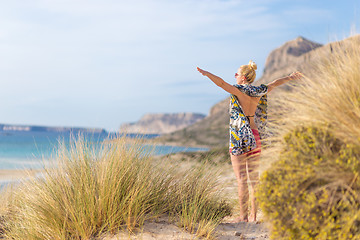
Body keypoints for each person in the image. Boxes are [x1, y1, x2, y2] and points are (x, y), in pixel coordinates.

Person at [197, 61, 302, 222]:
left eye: (237, 74)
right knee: (254, 179)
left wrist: (207, 73)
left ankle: (243, 217)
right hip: (255, 134)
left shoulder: (239, 90)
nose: (235, 76)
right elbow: (275, 83)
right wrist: (290, 77)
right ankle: (254, 216)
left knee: (241, 179)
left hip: (240, 135)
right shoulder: (259, 90)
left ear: (244, 77)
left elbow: (221, 83)